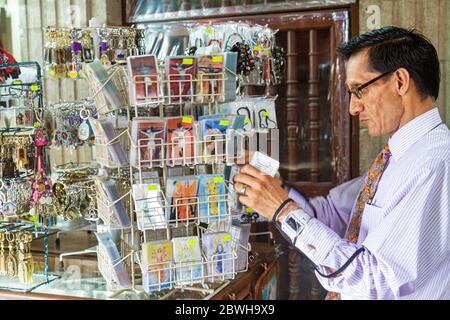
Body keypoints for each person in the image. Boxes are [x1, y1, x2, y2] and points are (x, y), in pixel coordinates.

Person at [233, 26, 450, 300]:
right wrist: (272, 188)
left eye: (359, 90)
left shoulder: (434, 163)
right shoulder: (399, 156)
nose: (353, 108)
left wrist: (283, 210)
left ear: (399, 81)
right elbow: (334, 218)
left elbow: (374, 279)